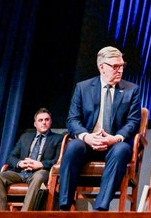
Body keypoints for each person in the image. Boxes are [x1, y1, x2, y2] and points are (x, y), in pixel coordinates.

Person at [59, 46, 142, 210]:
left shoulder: (131, 90)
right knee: (73, 146)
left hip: (114, 143)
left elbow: (133, 122)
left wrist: (116, 138)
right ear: (102, 67)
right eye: (115, 66)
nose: (120, 70)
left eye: (122, 66)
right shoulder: (83, 87)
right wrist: (85, 136)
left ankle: (100, 209)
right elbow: (73, 119)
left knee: (122, 149)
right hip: (88, 142)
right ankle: (64, 206)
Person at [0, 107, 64, 211]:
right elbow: (10, 157)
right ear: (35, 124)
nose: (44, 123)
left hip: (41, 172)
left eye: (47, 120)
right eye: (40, 120)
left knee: (38, 177)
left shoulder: (58, 139)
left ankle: (24, 214)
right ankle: (3, 214)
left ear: (51, 122)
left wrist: (41, 164)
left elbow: (58, 161)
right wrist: (20, 163)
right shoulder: (25, 137)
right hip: (20, 172)